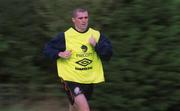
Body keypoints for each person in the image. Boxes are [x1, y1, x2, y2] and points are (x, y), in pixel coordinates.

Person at [43, 8, 113, 111]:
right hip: (70, 79)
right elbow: (47, 48)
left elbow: (108, 54)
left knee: (75, 108)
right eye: (80, 18)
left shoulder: (96, 35)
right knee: (85, 109)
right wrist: (59, 53)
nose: (84, 20)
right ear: (73, 20)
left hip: (88, 80)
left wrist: (96, 46)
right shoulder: (65, 36)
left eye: (86, 17)